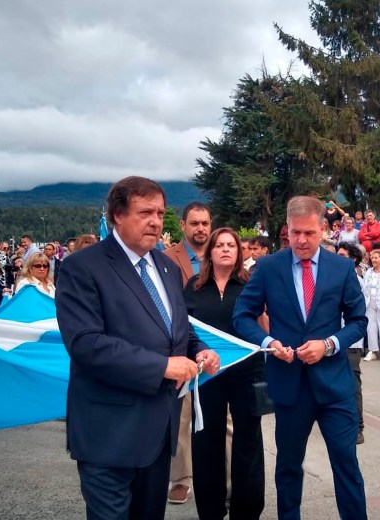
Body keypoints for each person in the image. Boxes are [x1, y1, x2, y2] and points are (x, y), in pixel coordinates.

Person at [55, 176, 218, 520]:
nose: (156, 221)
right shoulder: (82, 267)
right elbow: (86, 343)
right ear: (117, 215)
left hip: (159, 432)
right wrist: (161, 366)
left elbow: (179, 328)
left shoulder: (167, 268)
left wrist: (199, 350)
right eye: (145, 212)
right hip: (108, 433)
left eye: (159, 213)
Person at [233, 196, 368, 520]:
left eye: (308, 233)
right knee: (289, 467)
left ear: (323, 229)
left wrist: (330, 344)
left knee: (346, 465)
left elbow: (358, 320)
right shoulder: (268, 267)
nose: (302, 241)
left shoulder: (341, 267)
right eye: (295, 233)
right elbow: (242, 316)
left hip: (334, 387)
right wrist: (268, 342)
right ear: (287, 230)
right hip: (289, 385)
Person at [183, 227, 265, 520]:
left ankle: (247, 510)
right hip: (207, 372)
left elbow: (263, 325)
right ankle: (211, 510)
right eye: (220, 245)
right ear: (211, 252)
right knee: (206, 442)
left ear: (239, 252)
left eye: (232, 245)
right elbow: (184, 328)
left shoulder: (251, 285)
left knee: (248, 441)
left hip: (247, 372)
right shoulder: (193, 286)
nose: (226, 249)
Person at [162, 201, 212, 504]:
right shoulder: (166, 259)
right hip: (181, 347)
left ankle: (226, 477)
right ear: (183, 225)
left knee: (225, 417)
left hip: (218, 349)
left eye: (205, 223)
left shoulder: (224, 255)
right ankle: (181, 478)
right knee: (181, 415)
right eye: (194, 223)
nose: (200, 229)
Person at [335, 241, 366, 444]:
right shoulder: (334, 277)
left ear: (353, 260)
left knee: (352, 383)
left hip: (350, 342)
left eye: (343, 255)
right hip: (333, 340)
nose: (338, 258)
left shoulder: (356, 280)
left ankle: (358, 427)